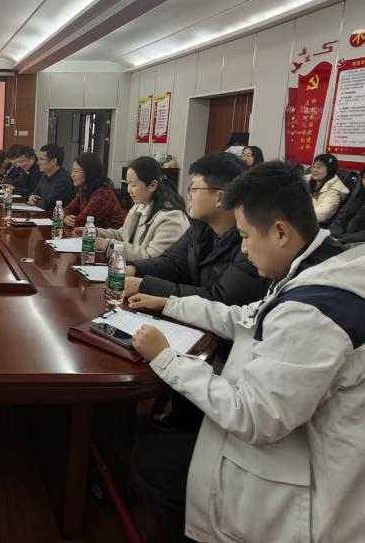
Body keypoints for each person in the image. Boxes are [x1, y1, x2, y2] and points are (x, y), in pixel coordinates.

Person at [129, 161, 365, 543]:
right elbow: (244, 317)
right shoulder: (319, 267)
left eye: (245, 236)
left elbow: (253, 417)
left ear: (280, 232)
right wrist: (169, 303)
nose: (242, 248)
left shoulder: (315, 311)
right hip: (293, 442)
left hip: (306, 490)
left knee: (147, 459)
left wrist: (166, 358)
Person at [123, 152, 268, 305]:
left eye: (193, 189)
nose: (189, 196)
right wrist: (135, 269)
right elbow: (171, 262)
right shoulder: (200, 227)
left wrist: (145, 286)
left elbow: (219, 300)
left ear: (220, 197)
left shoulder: (249, 243)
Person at [90, 156, 189, 260]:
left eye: (133, 185)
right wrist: (94, 232)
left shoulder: (171, 218)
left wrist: (106, 245)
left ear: (152, 185)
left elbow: (153, 258)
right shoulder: (139, 206)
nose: (129, 190)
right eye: (128, 184)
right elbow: (123, 236)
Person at [61, 152, 124, 229]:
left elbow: (81, 222)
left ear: (90, 172)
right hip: (90, 233)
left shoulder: (102, 193)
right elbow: (66, 210)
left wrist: (66, 219)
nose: (72, 175)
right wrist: (65, 217)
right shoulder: (84, 189)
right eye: (72, 171)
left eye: (76, 171)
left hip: (108, 235)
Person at [27, 143, 75, 211]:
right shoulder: (44, 175)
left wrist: (35, 201)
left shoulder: (64, 179)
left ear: (53, 161)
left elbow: (48, 204)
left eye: (41, 159)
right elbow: (35, 193)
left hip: (58, 216)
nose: (38, 162)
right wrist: (32, 197)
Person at [307, 152, 348, 224]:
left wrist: (295, 212)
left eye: (319, 167)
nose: (314, 170)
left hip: (313, 224)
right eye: (313, 166)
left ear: (330, 170)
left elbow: (321, 214)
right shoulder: (309, 178)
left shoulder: (335, 189)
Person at [329, 167, 365, 244]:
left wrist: (342, 240)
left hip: (358, 244)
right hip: (341, 238)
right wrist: (333, 234)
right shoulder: (357, 194)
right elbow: (341, 216)